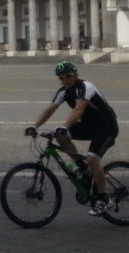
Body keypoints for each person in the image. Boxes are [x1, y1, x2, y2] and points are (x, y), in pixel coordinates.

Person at [26, 61, 119, 216]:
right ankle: (82, 169)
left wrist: (66, 125)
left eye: (68, 76)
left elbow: (79, 109)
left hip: (106, 127)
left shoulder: (86, 87)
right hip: (89, 126)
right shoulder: (64, 91)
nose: (65, 80)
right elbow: (50, 109)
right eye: (61, 78)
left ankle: (104, 199)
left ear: (75, 75)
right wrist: (34, 126)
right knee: (60, 135)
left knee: (93, 160)